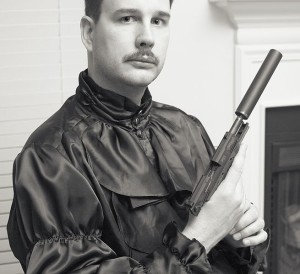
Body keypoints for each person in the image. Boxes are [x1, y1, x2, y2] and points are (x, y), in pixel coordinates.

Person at [7, 0, 269, 273]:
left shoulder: (185, 126)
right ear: (88, 33)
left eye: (158, 21)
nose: (147, 38)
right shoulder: (50, 155)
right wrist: (200, 236)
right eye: (127, 18)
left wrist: (235, 236)